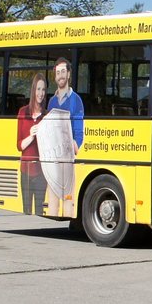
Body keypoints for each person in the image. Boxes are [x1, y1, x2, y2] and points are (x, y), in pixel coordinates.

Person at [45, 57, 84, 218]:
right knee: (53, 197)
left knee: (68, 198)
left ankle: (68, 215)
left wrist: (74, 148)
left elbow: (79, 131)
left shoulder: (76, 100)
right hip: (52, 156)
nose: (60, 75)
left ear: (69, 74)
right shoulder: (52, 101)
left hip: (67, 157)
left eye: (63, 72)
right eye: (57, 72)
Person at [16, 72, 49, 215]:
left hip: (42, 172)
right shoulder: (23, 112)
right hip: (26, 171)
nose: (40, 93)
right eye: (38, 89)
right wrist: (31, 135)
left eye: (43, 90)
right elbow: (19, 145)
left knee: (40, 211)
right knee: (27, 210)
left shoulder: (47, 116)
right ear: (33, 90)